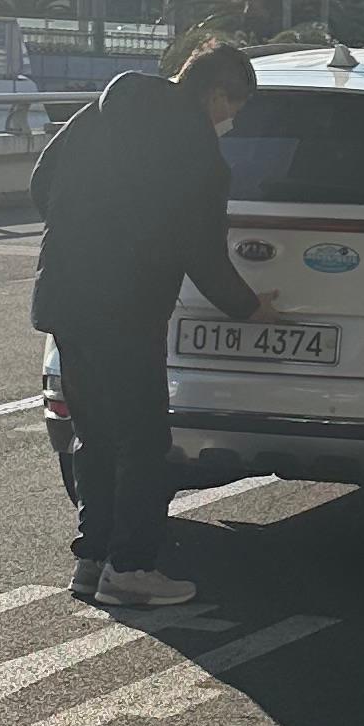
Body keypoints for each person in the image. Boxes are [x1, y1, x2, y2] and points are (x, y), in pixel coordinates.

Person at [29, 39, 268, 610]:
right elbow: (202, 251)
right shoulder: (197, 152)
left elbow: (42, 182)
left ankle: (92, 558)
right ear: (216, 94)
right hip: (128, 308)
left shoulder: (99, 113)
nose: (231, 121)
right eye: (234, 107)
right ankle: (132, 568)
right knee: (142, 440)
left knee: (94, 434)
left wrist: (81, 236)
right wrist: (250, 308)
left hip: (66, 297)